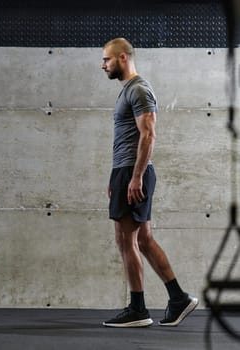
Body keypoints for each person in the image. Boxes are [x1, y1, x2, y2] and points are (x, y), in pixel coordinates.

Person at [100, 38, 197, 327]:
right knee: (143, 239)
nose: (102, 65)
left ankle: (138, 309)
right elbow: (129, 138)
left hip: (133, 171)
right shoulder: (128, 90)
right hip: (126, 170)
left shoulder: (139, 89)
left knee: (124, 239)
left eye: (107, 59)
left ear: (122, 58)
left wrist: (136, 176)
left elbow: (149, 135)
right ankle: (178, 298)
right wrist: (116, 175)